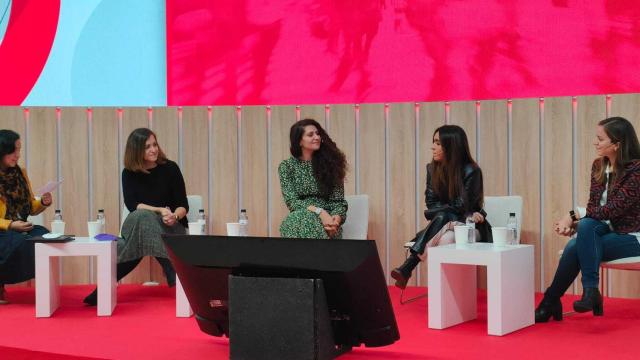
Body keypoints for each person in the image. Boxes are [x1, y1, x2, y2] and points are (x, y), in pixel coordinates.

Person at [535, 117, 640, 322]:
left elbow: (613, 209)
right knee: (587, 226)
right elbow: (593, 208)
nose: (595, 142)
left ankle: (551, 301)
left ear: (617, 144)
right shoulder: (599, 166)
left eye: (600, 139)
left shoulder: (636, 171)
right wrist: (579, 222)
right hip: (604, 231)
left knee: (575, 246)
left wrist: (573, 215)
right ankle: (590, 292)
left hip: (633, 237)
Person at [84, 128, 188, 305]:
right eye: (147, 147)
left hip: (170, 227)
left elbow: (182, 205)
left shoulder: (170, 168)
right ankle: (172, 268)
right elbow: (133, 205)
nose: (153, 149)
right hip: (139, 222)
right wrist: (159, 210)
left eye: (154, 144)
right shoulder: (129, 173)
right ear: (136, 150)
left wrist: (174, 217)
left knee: (139, 233)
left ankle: (104, 287)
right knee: (142, 216)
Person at [390, 125, 491, 289]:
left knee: (444, 218)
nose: (433, 147)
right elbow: (431, 204)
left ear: (451, 146)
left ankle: (410, 264)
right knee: (445, 234)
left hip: (469, 225)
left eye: (438, 143)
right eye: (433, 142)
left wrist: (446, 211)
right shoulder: (432, 169)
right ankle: (441, 294)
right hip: (445, 225)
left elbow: (462, 205)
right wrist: (447, 211)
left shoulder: (472, 171)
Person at [0, 130, 52, 304]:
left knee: (45, 236)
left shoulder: (20, 173)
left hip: (20, 226)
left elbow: (29, 207)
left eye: (19, 150)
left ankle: (47, 289)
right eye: (14, 150)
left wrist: (43, 203)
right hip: (4, 229)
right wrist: (10, 225)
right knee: (20, 243)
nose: (18, 155)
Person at [279, 119, 348, 239]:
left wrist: (335, 220)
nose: (316, 137)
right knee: (297, 220)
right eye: (310, 135)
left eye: (317, 133)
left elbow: (338, 202)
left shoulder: (331, 165)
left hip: (328, 222)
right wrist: (319, 212)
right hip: (300, 217)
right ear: (299, 141)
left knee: (295, 224)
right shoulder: (287, 166)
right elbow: (292, 201)